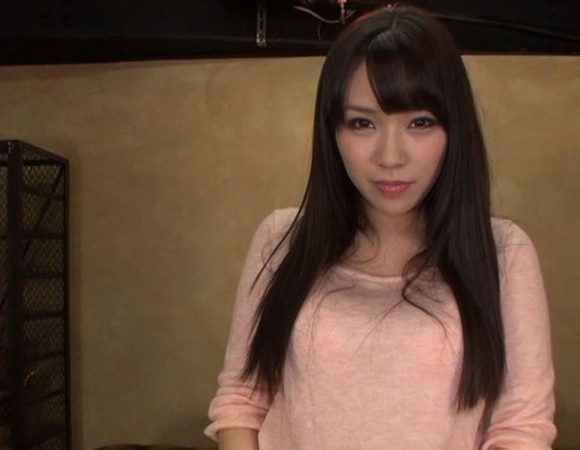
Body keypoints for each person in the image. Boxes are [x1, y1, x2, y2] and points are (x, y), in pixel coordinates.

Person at [204, 4, 556, 449]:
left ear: (454, 130)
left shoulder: (503, 252)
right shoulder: (282, 240)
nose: (390, 156)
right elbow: (241, 400)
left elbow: (521, 428)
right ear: (333, 132)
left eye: (420, 123)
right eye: (363, 123)